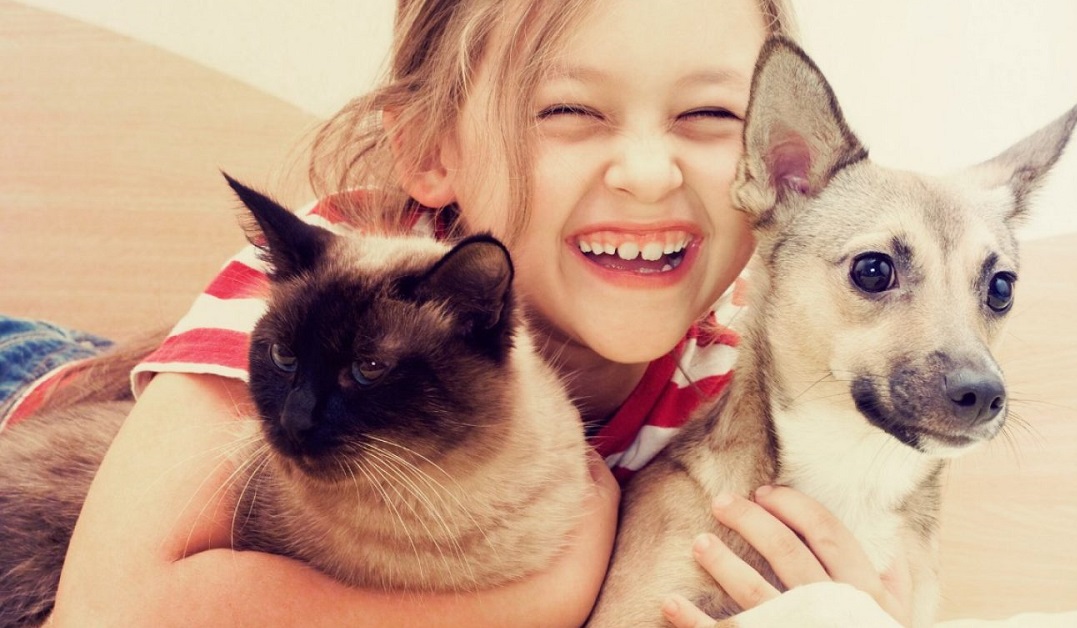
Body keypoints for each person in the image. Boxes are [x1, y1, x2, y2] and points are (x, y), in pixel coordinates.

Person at [4, 0, 910, 625]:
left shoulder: (742, 377)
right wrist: (543, 596)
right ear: (431, 152)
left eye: (711, 113)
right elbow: (110, 607)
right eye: (571, 109)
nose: (648, 172)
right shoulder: (340, 275)